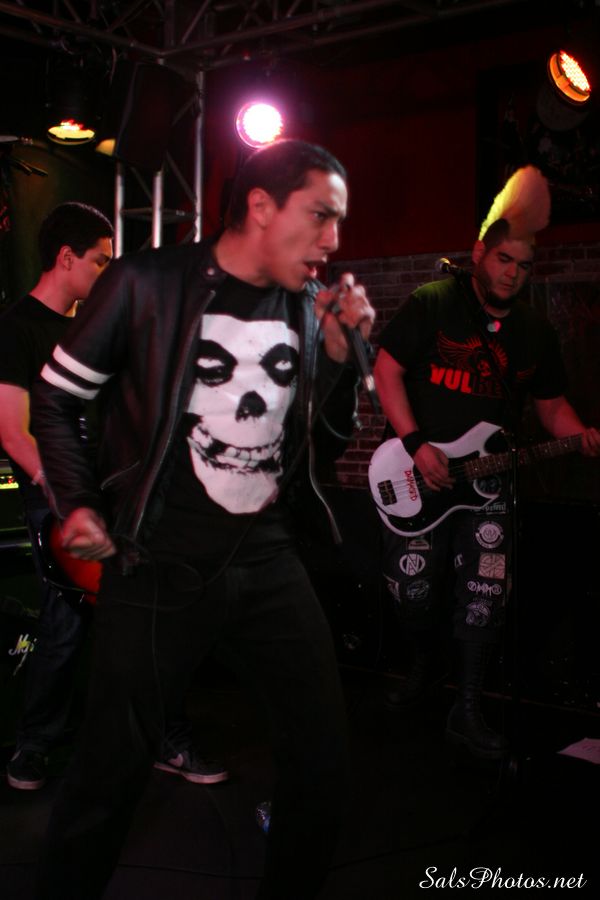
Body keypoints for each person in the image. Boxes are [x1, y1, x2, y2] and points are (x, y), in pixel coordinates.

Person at [30, 139, 375, 900]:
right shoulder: (146, 283)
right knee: (108, 775)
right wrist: (79, 500)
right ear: (261, 206)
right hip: (157, 561)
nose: (333, 240)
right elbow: (54, 398)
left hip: (269, 561)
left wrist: (340, 359)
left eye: (338, 222)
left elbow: (321, 448)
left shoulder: (308, 308)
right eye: (321, 216)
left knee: (323, 759)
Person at [373, 166, 600, 760]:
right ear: (479, 252)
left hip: (489, 484)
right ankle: (424, 663)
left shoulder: (534, 332)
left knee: (484, 592)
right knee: (413, 590)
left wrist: (581, 435)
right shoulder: (434, 303)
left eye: (524, 266)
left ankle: (467, 707)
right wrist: (416, 444)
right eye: (503, 260)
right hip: (418, 473)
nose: (512, 274)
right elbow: (386, 371)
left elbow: (551, 407)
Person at [0, 202, 228, 791]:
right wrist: (71, 494)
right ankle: (35, 744)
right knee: (67, 621)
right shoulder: (17, 329)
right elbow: (13, 432)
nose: (108, 272)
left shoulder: (98, 328)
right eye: (100, 261)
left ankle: (164, 738)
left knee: (154, 619)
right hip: (57, 497)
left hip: (120, 493)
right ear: (66, 257)